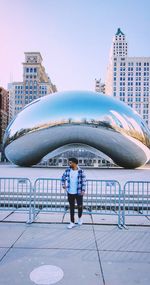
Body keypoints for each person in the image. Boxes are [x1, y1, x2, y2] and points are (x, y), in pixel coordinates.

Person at [61, 157, 86, 229]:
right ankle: (72, 222)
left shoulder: (81, 171)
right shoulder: (68, 170)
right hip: (70, 192)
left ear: (75, 163)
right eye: (69, 162)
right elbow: (63, 178)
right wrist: (63, 184)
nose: (69, 164)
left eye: (70, 162)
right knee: (71, 208)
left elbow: (84, 181)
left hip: (78, 192)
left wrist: (83, 190)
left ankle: (80, 218)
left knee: (80, 206)